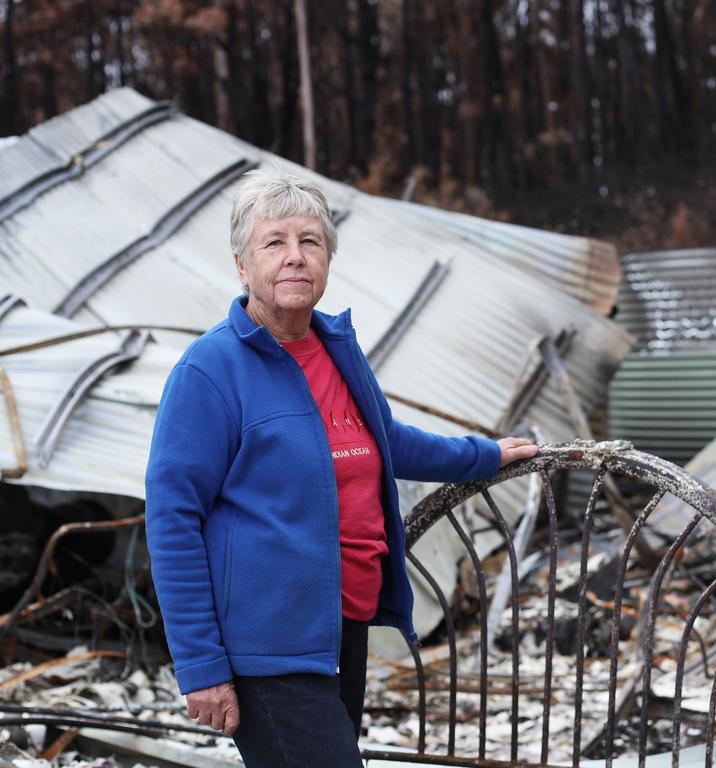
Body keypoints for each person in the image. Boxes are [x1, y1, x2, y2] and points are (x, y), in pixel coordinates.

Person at [145, 169, 538, 768]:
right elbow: (172, 521)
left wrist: (483, 455)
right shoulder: (209, 371)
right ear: (242, 266)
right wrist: (201, 667)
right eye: (273, 243)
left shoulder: (335, 347)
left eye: (311, 242)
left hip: (340, 629)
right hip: (267, 647)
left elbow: (384, 440)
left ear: (328, 259)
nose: (295, 258)